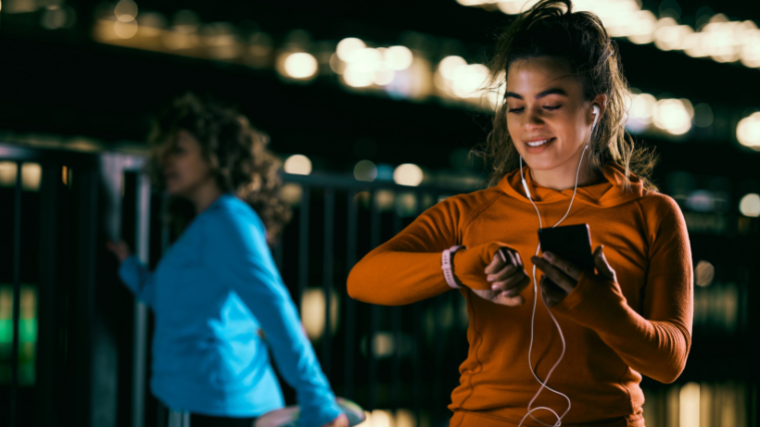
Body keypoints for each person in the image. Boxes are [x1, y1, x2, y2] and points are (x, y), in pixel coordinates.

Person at [347, 1, 693, 426]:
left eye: (549, 104)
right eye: (515, 106)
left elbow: (671, 360)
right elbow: (361, 280)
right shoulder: (472, 212)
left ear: (593, 108)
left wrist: (603, 310)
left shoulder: (652, 214)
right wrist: (457, 266)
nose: (529, 121)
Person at [107, 94, 348, 427]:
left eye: (178, 150)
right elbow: (176, 301)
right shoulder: (208, 224)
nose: (165, 161)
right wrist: (130, 268)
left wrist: (320, 404)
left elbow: (276, 311)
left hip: (227, 407)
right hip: (203, 400)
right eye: (163, 152)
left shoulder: (227, 223)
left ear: (214, 155)